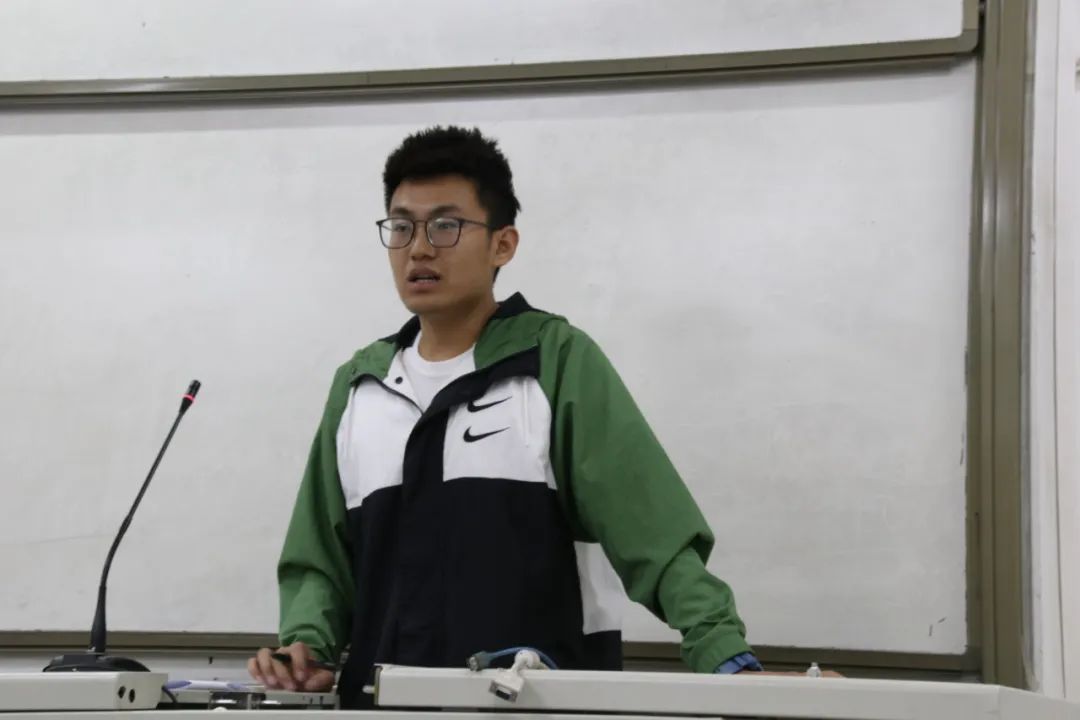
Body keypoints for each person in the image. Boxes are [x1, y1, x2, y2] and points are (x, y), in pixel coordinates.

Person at [248, 126, 761, 708]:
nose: (419, 249)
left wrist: (725, 655)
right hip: (382, 706)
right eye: (402, 226)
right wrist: (307, 651)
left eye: (446, 226)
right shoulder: (361, 385)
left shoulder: (554, 362)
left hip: (536, 705)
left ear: (503, 244)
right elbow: (320, 560)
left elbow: (653, 533)